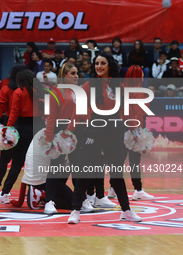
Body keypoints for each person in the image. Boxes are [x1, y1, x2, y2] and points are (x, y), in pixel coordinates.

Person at [66, 52, 143, 224]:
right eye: (96, 63)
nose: (98, 66)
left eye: (102, 63)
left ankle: (126, 211)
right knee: (85, 171)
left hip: (116, 132)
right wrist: (69, 131)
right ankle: (75, 211)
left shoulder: (120, 86)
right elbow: (77, 111)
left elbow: (127, 112)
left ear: (110, 65)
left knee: (116, 173)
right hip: (94, 131)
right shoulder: (88, 85)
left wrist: (135, 131)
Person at [43, 62, 93, 214]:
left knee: (78, 167)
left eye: (77, 73)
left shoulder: (80, 92)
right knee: (55, 167)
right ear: (64, 75)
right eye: (72, 73)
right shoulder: (55, 93)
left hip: (78, 132)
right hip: (60, 131)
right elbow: (51, 117)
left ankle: (81, 200)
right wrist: (50, 137)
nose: (76, 76)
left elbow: (84, 114)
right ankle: (49, 201)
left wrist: (87, 132)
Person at [0, 69, 45, 203]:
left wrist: (8, 129)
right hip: (39, 127)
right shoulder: (40, 91)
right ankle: (40, 194)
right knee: (38, 163)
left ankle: (5, 193)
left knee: (17, 163)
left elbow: (14, 112)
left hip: (23, 128)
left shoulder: (19, 92)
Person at [108, 65, 154, 201]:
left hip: (120, 128)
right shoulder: (139, 92)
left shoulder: (121, 89)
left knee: (118, 161)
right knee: (134, 161)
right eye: (141, 74)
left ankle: (112, 188)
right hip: (133, 129)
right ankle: (138, 189)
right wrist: (137, 132)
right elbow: (139, 115)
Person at [0, 65, 27, 197]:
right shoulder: (23, 90)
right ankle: (4, 191)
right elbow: (0, 106)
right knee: (17, 161)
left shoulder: (6, 89)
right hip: (20, 124)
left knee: (4, 159)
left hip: (9, 124)